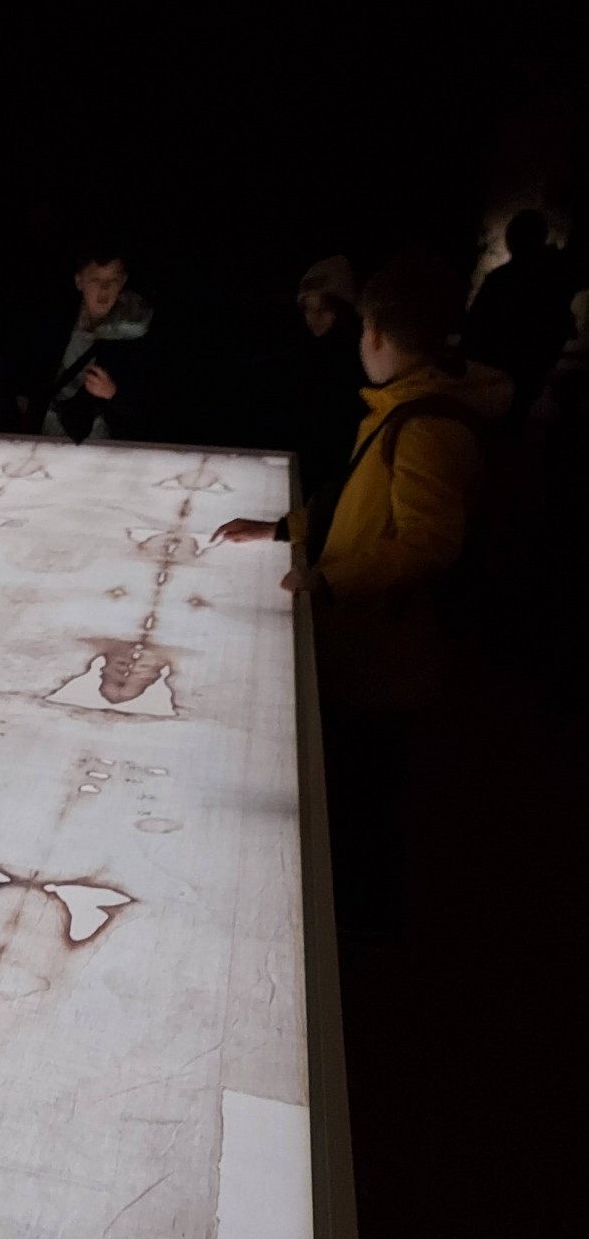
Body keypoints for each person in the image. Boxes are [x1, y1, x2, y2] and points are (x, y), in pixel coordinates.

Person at [215, 250, 511, 940]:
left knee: (364, 795)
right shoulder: (402, 407)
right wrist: (282, 529)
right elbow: (357, 503)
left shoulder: (425, 425)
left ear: (374, 335)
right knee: (350, 785)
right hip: (361, 640)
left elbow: (428, 542)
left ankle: (359, 932)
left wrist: (330, 578)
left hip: (384, 655)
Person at [12, 239, 155, 443]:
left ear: (123, 282)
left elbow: (148, 405)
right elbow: (27, 373)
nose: (104, 289)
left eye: (112, 280)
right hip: (46, 431)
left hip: (99, 439)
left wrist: (113, 393)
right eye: (95, 280)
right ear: (79, 282)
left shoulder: (137, 332)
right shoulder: (54, 320)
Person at [463, 210, 577, 423]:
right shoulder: (552, 278)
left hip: (501, 367)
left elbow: (476, 328)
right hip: (523, 367)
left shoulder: (504, 280)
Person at [290, 255, 366, 499]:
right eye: (307, 309)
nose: (313, 318)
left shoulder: (362, 364)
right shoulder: (304, 356)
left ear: (343, 310)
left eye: (323, 309)